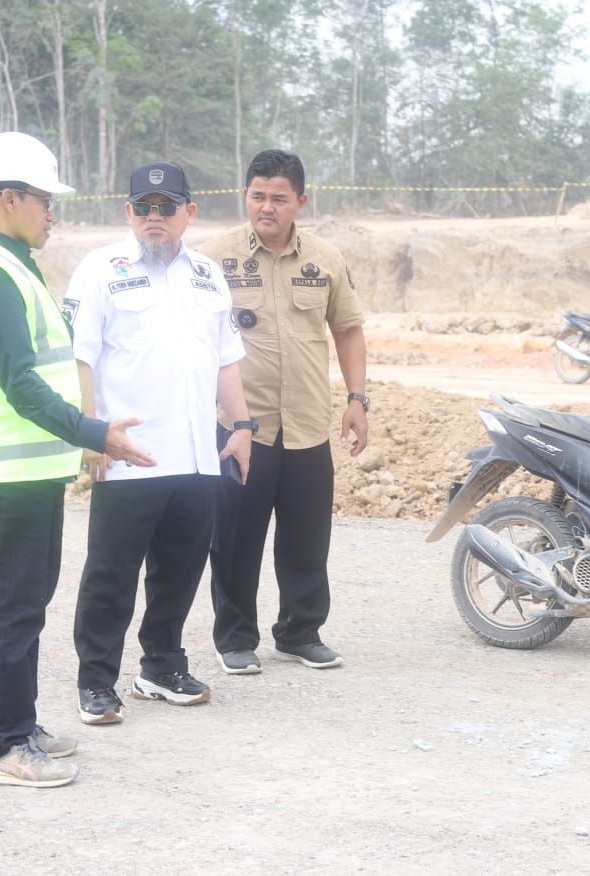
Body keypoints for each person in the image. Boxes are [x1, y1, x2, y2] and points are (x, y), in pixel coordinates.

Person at [0, 131, 154, 788]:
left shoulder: (11, 266)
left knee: (26, 602)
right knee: (8, 604)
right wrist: (94, 430)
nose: (52, 211)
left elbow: (41, 376)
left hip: (29, 469)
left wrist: (79, 435)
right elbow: (21, 385)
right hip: (6, 474)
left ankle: (18, 724)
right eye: (43, 199)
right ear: (10, 199)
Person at [66, 161, 254, 723]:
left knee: (181, 569)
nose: (154, 218)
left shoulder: (206, 275)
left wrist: (242, 427)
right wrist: (91, 433)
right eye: (142, 207)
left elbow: (226, 359)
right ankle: (96, 681)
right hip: (129, 453)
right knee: (111, 574)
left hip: (196, 455)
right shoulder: (100, 269)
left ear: (188, 214)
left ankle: (161, 666)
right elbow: (81, 356)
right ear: (128, 213)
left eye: (165, 207)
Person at [198, 149, 367, 674]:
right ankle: (235, 639)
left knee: (307, 537)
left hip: (307, 423)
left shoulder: (325, 260)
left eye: (278, 198)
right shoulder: (211, 260)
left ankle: (300, 632)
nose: (266, 207)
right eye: (257, 196)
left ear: (301, 201)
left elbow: (348, 329)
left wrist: (357, 399)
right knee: (235, 538)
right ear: (244, 195)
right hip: (240, 426)